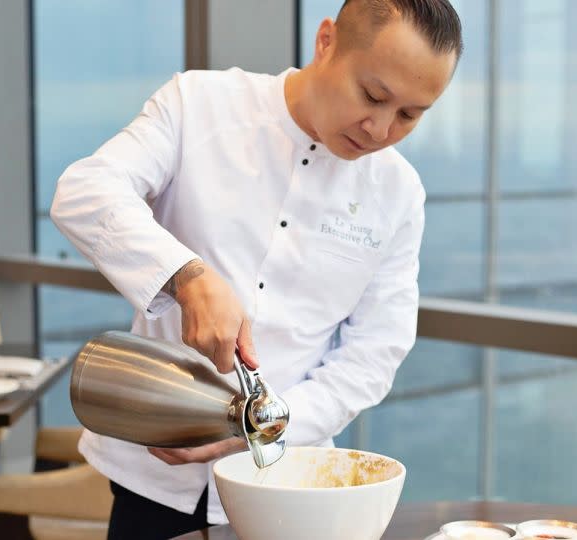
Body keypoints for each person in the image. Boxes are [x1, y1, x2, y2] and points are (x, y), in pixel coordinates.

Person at [51, 0, 463, 538]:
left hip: (292, 483)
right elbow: (85, 191)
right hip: (153, 481)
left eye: (410, 115)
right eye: (374, 96)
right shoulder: (199, 103)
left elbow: (374, 352)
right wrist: (187, 277)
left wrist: (266, 425)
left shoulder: (399, 193)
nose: (381, 129)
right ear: (326, 42)